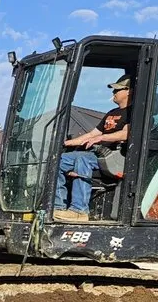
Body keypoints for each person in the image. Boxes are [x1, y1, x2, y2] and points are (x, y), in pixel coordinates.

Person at [54, 75, 131, 222]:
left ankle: (79, 211)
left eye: (117, 90)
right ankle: (58, 206)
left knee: (83, 159)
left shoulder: (133, 113)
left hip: (116, 157)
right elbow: (91, 134)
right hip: (97, 155)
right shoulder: (111, 113)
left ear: (128, 91)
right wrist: (65, 143)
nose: (113, 92)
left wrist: (101, 138)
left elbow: (126, 133)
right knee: (59, 160)